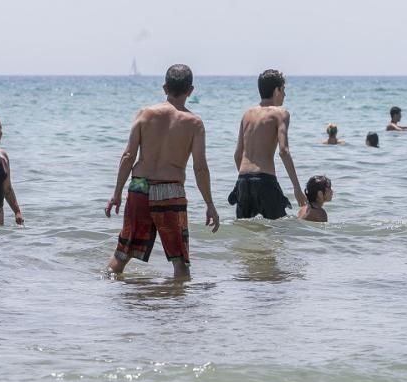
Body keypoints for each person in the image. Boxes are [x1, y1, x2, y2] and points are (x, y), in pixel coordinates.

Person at [104, 64, 219, 278]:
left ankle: (107, 296)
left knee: (121, 256)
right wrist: (210, 204)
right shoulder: (194, 123)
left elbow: (128, 156)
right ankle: (176, 307)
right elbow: (200, 167)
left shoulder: (145, 114)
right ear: (190, 91)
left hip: (139, 187)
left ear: (164, 87)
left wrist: (117, 194)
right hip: (171, 191)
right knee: (180, 262)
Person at [229, 69, 307, 220]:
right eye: (283, 90)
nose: (285, 94)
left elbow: (237, 155)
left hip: (243, 180)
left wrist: (248, 182)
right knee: (278, 232)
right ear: (277, 90)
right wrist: (297, 188)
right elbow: (283, 151)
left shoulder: (247, 114)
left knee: (246, 233)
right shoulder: (280, 113)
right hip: (265, 181)